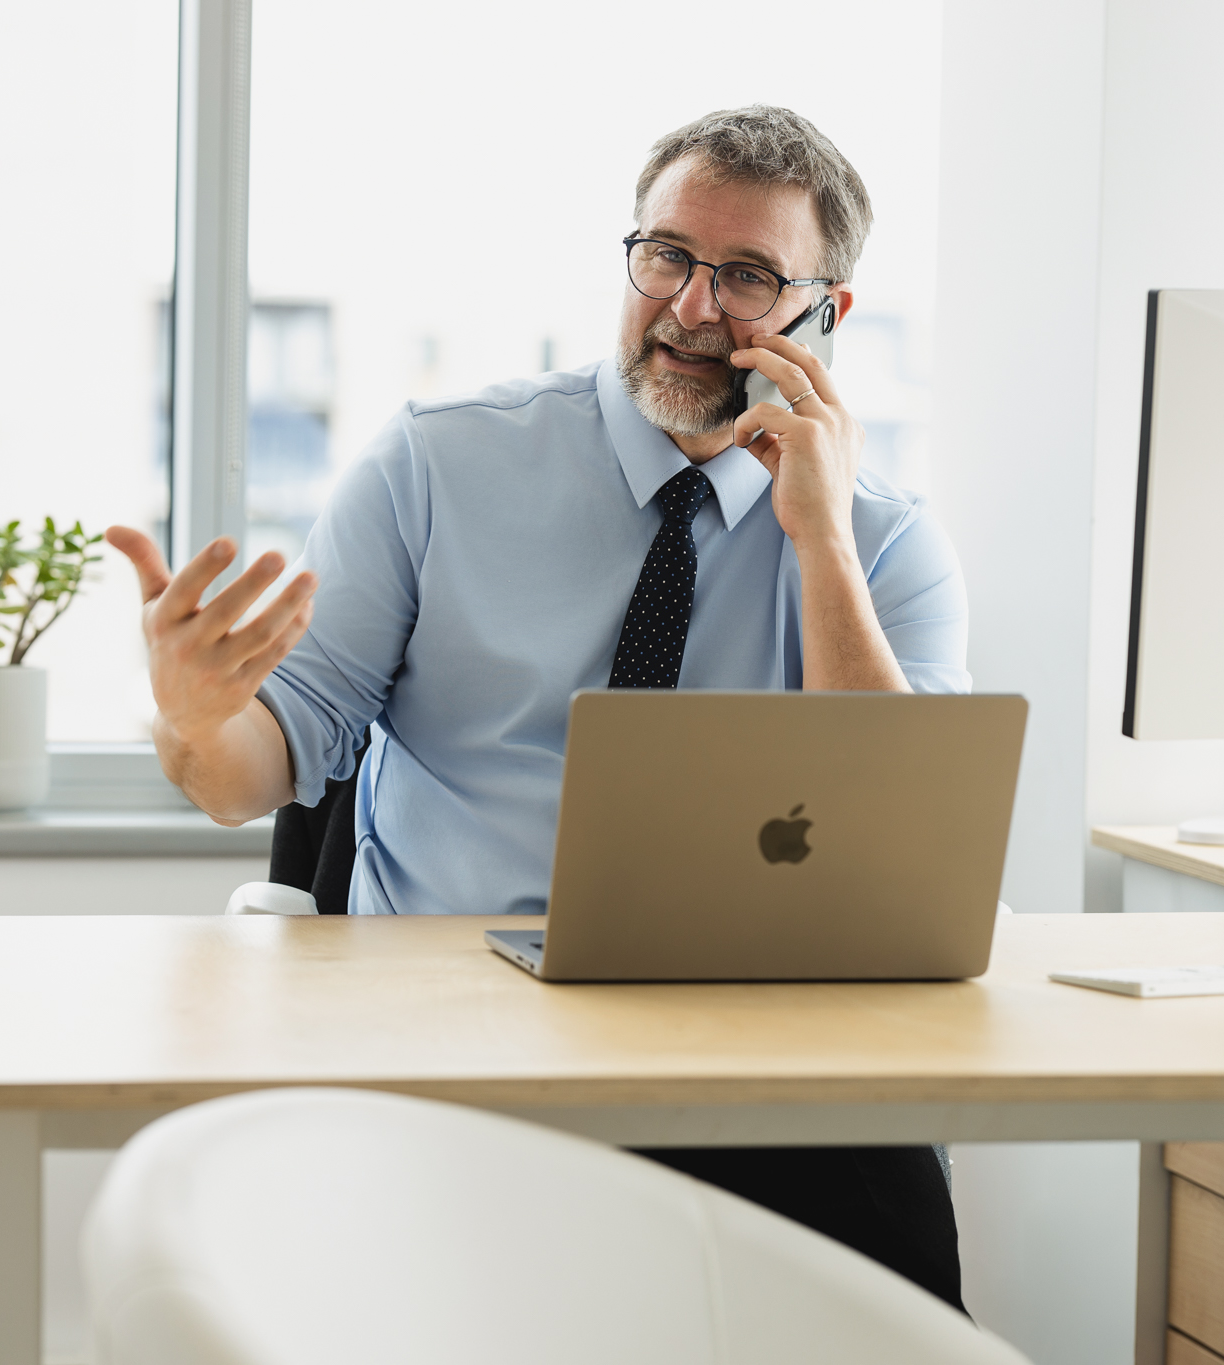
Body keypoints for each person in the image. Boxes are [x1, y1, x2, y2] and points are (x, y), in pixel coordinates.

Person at [108, 105, 972, 1311]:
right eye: (666, 255)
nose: (689, 307)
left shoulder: (885, 539)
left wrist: (818, 540)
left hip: (760, 1043)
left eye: (747, 276)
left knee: (882, 1313)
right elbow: (249, 775)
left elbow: (899, 848)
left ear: (823, 312)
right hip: (452, 1034)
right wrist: (195, 721)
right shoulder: (434, 466)